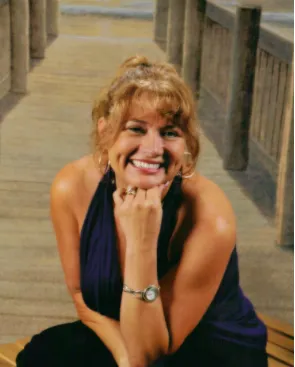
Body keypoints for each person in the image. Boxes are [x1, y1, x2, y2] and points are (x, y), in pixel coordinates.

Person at [16, 55, 268, 367]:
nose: (153, 148)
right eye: (136, 129)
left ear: (185, 145)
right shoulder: (72, 186)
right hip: (124, 334)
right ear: (106, 133)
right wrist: (123, 357)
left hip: (209, 349)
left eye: (170, 132)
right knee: (41, 356)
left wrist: (141, 242)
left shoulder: (211, 216)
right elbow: (82, 297)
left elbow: (150, 355)